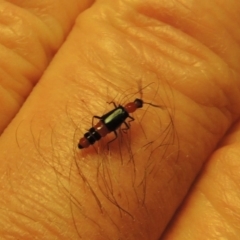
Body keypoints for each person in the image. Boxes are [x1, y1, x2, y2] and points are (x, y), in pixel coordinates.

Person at [0, 0, 240, 239]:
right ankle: (93, 139)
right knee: (107, 131)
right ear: (131, 107)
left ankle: (92, 138)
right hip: (100, 129)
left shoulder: (120, 112)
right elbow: (119, 125)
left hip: (97, 128)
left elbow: (111, 120)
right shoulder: (125, 115)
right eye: (135, 104)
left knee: (102, 129)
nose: (133, 106)